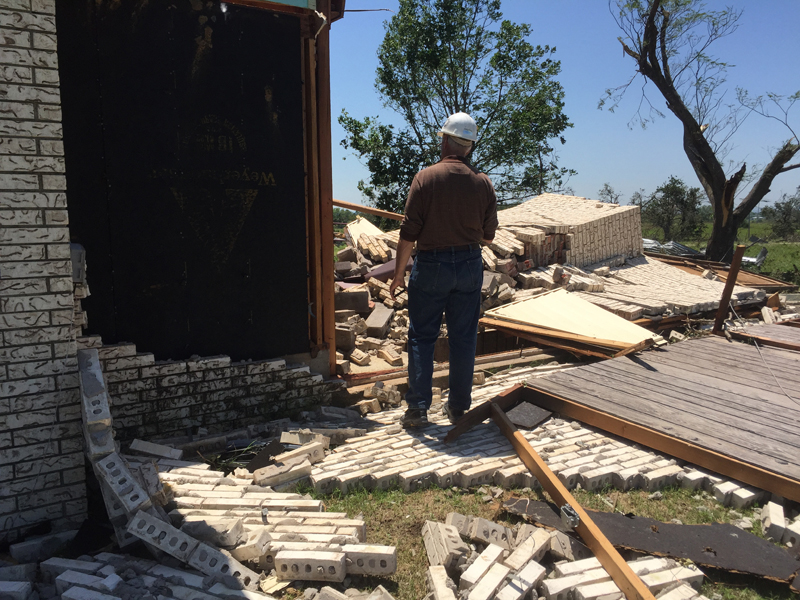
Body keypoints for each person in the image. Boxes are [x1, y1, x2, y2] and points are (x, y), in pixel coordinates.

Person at [389, 112, 498, 428]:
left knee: (422, 337)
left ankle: (418, 409)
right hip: (468, 265)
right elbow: (488, 236)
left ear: (447, 139)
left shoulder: (426, 178)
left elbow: (408, 234)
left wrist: (398, 275)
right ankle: (458, 408)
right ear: (470, 146)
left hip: (432, 265)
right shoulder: (483, 184)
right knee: (464, 337)